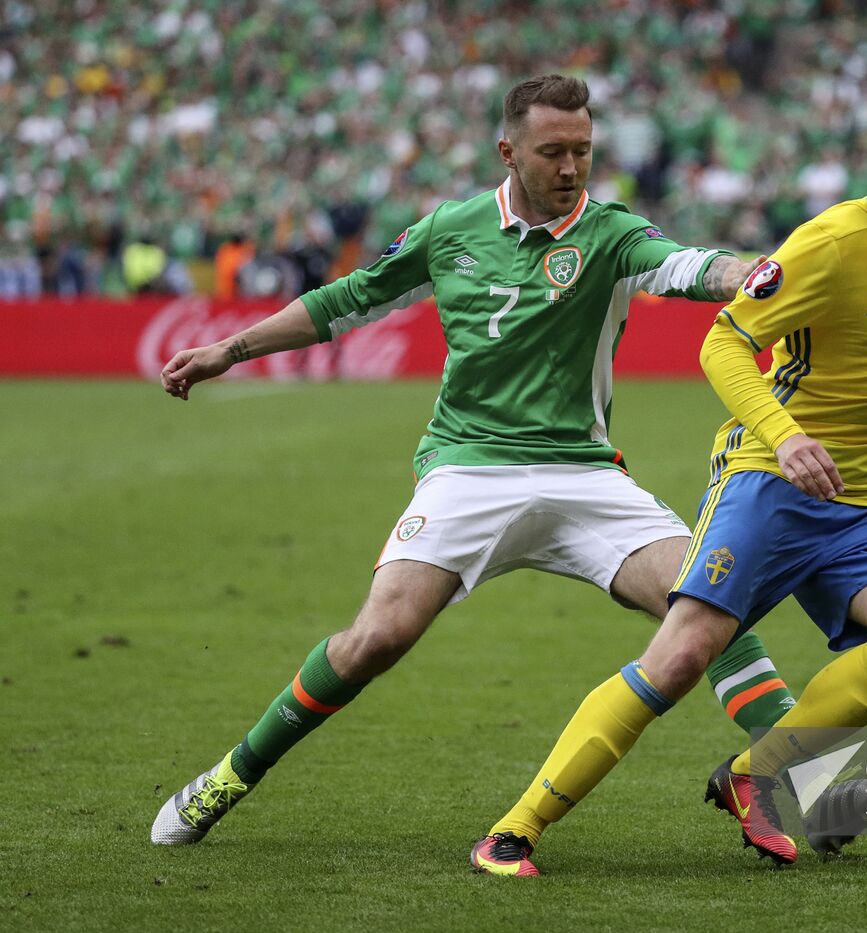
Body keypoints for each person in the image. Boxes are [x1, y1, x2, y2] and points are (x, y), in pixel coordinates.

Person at [150, 74, 812, 850]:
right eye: (553, 152)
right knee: (377, 637)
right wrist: (230, 348)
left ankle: (803, 774)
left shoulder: (610, 233)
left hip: (584, 474)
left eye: (584, 151)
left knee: (707, 599)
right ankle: (229, 774)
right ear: (508, 151)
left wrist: (748, 272)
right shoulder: (452, 229)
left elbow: (688, 266)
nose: (572, 168)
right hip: (468, 468)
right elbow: (344, 300)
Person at [470, 73, 867, 876]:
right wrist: (786, 436)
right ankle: (514, 828)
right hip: (770, 479)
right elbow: (722, 342)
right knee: (684, 654)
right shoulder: (829, 246)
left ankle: (755, 773)